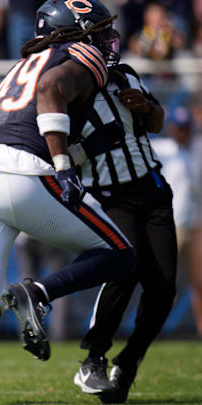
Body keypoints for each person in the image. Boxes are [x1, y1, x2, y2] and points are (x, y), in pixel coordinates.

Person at [0, 1, 136, 403]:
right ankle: (40, 293)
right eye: (99, 31)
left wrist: (80, 152)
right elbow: (51, 93)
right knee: (120, 252)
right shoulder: (80, 55)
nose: (107, 40)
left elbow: (19, 129)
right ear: (80, 32)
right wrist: (66, 164)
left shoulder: (23, 64)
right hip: (20, 174)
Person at [70, 57, 175, 403]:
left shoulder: (124, 74)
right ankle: (94, 357)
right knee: (125, 269)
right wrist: (93, 144)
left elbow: (157, 122)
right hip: (110, 196)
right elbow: (55, 154)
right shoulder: (64, 86)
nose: (106, 43)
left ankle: (128, 362)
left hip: (152, 189)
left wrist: (146, 105)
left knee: (163, 289)